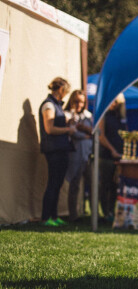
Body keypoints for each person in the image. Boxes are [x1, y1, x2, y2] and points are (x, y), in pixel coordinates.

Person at [39, 77, 76, 226]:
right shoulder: (48, 105)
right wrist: (68, 129)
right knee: (53, 183)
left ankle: (54, 216)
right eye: (66, 91)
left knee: (58, 184)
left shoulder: (57, 105)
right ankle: (46, 217)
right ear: (61, 89)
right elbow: (49, 128)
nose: (66, 94)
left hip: (61, 148)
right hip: (53, 149)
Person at [64, 90, 93, 222]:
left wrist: (85, 130)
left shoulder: (88, 116)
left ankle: (94, 216)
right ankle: (73, 215)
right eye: (76, 101)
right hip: (75, 155)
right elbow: (72, 132)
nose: (79, 104)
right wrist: (85, 135)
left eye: (81, 102)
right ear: (71, 100)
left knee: (93, 184)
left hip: (88, 155)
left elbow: (95, 132)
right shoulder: (67, 115)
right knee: (74, 184)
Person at [98, 93, 127, 221]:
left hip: (119, 156)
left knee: (116, 185)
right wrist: (112, 150)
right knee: (105, 184)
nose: (114, 104)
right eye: (113, 101)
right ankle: (105, 212)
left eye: (117, 102)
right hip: (106, 156)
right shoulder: (104, 115)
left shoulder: (120, 117)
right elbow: (101, 136)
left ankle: (112, 210)